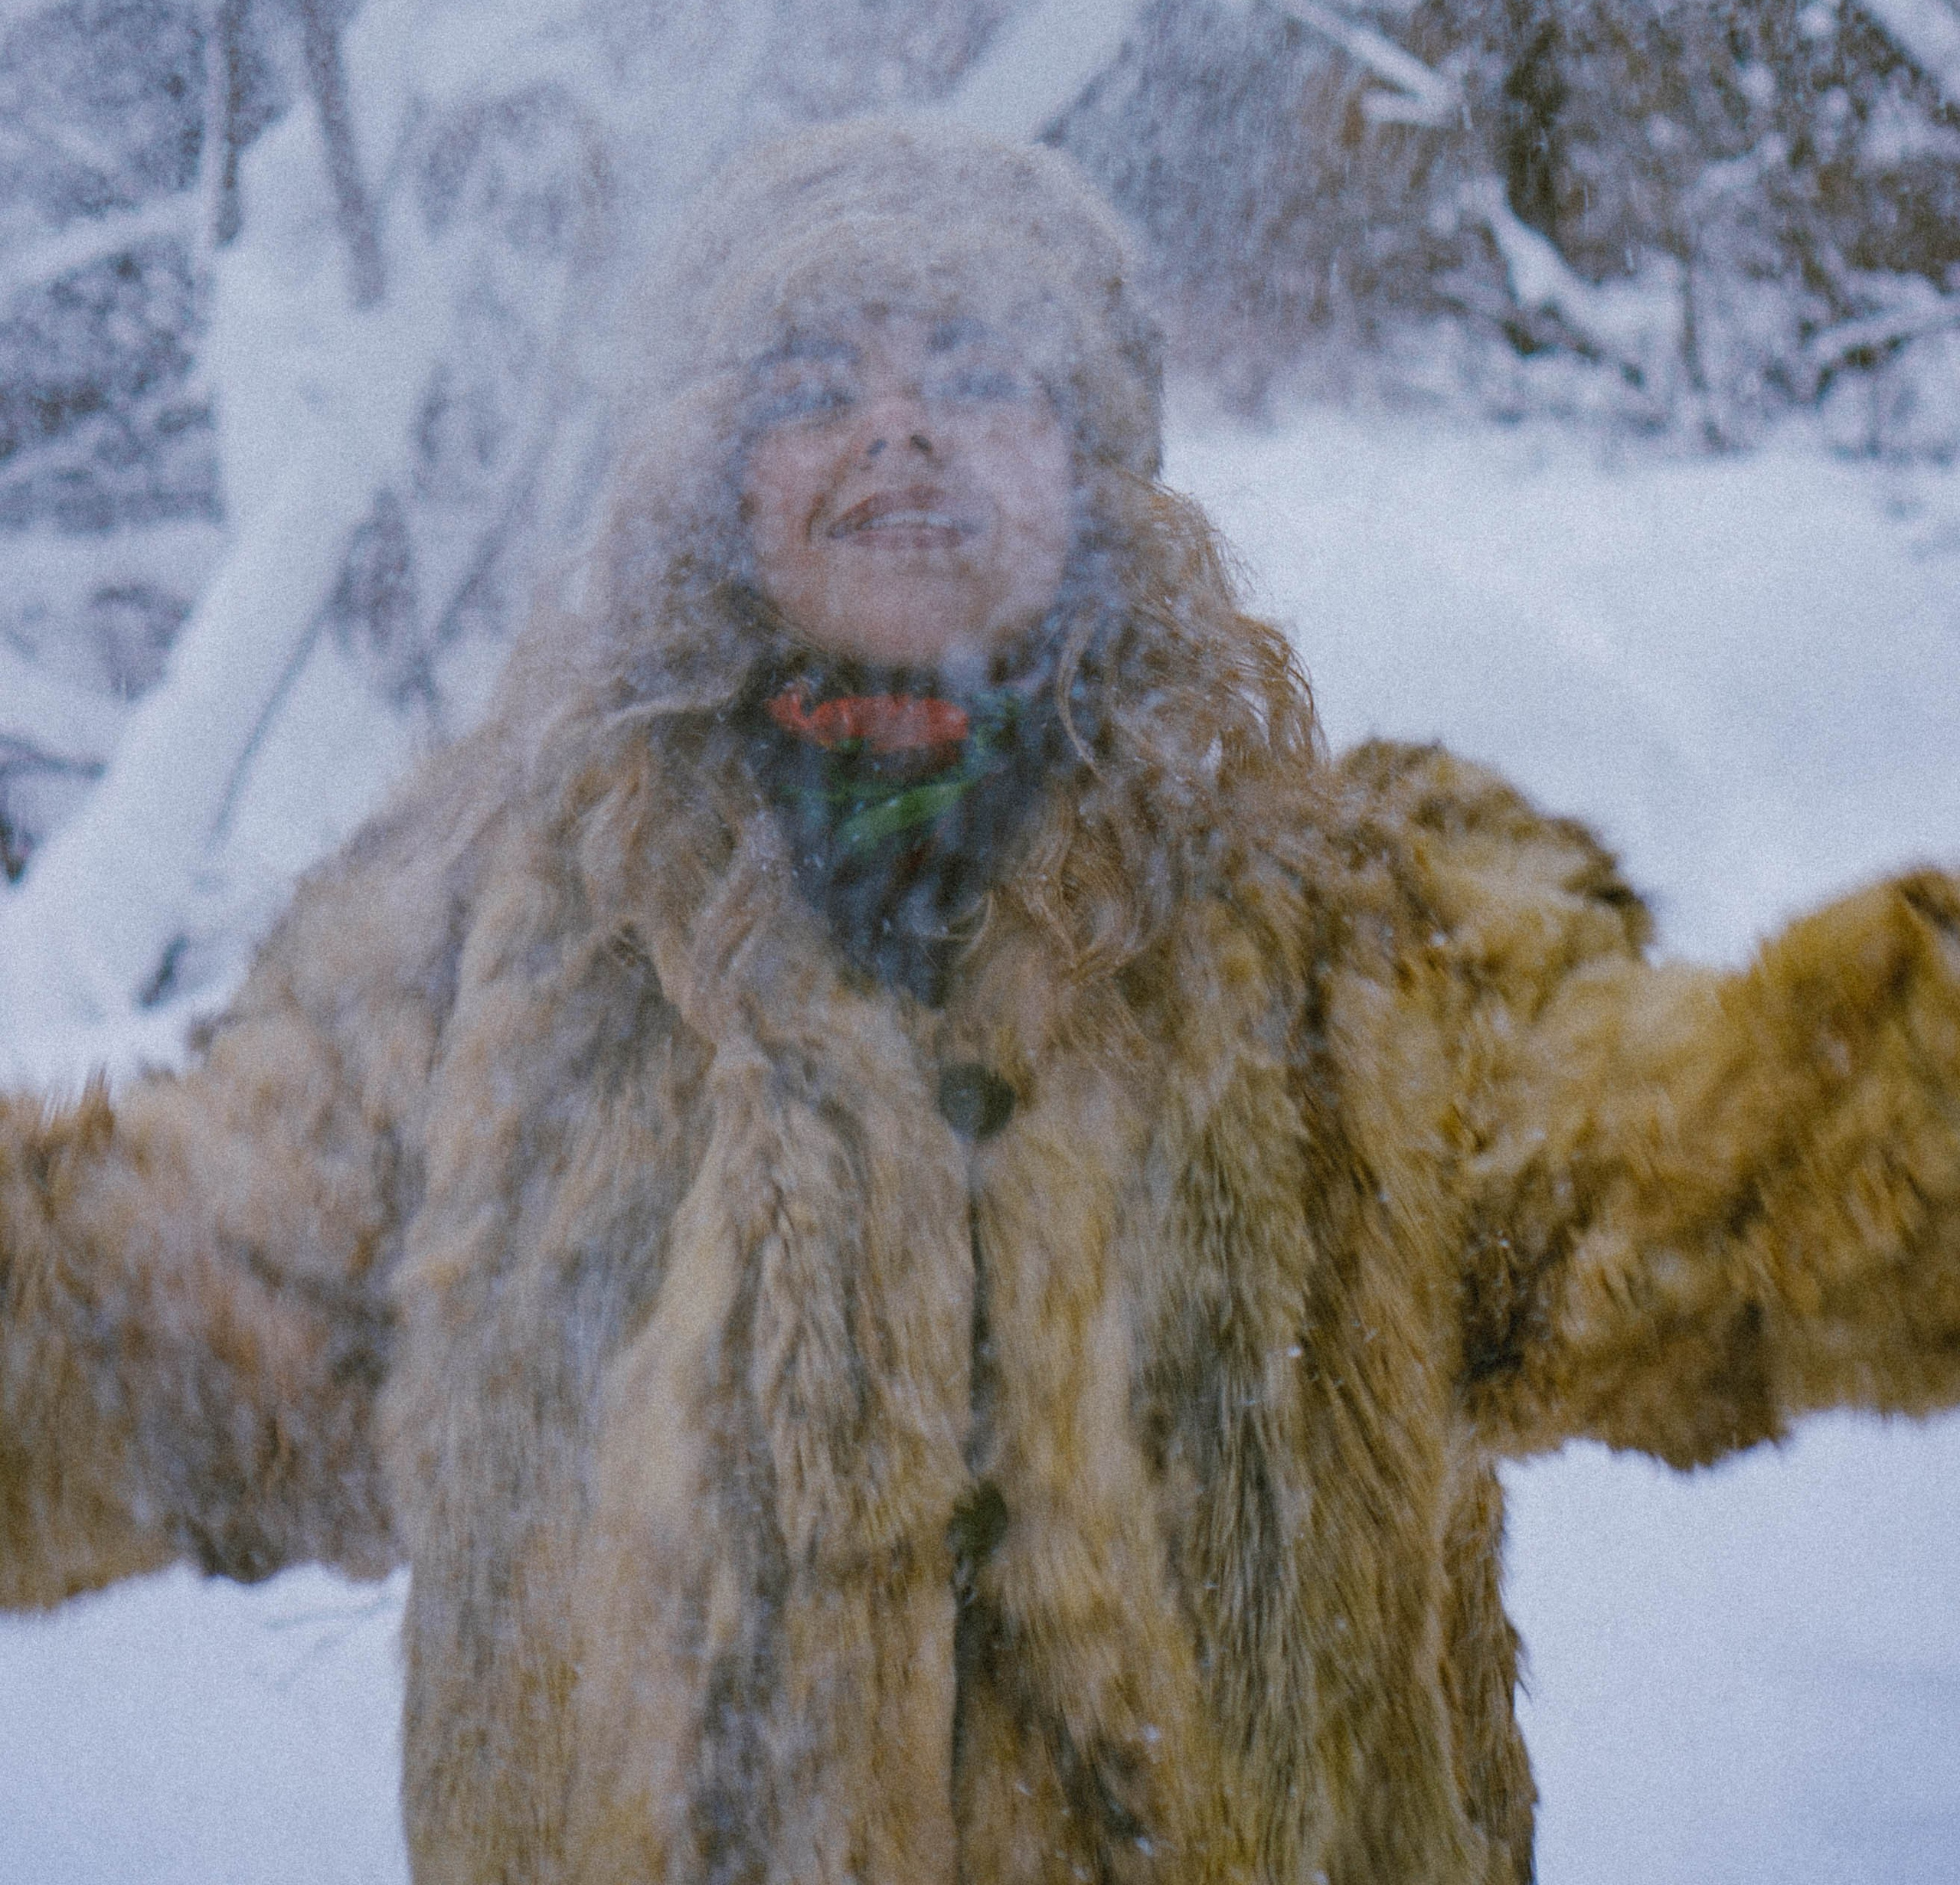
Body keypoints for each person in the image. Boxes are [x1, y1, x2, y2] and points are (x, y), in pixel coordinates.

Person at [3, 119, 1958, 1885]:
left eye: (975, 375)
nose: (896, 431)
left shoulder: (1352, 932)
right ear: (713, 474)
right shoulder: (482, 946)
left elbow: (1738, 1169)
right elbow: (148, 1313)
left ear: (1085, 465)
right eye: (811, 383)